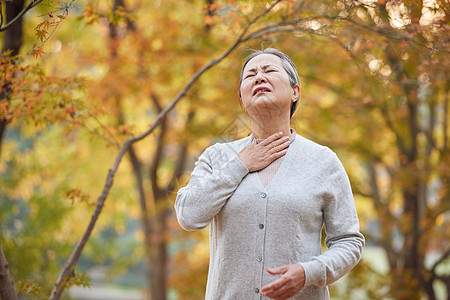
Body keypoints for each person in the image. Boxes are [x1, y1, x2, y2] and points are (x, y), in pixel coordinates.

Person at [175, 48, 365, 300]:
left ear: (295, 91)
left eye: (269, 71)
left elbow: (349, 242)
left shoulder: (323, 161)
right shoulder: (218, 157)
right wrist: (240, 165)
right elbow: (189, 215)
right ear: (242, 100)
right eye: (250, 74)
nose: (259, 77)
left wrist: (308, 272)